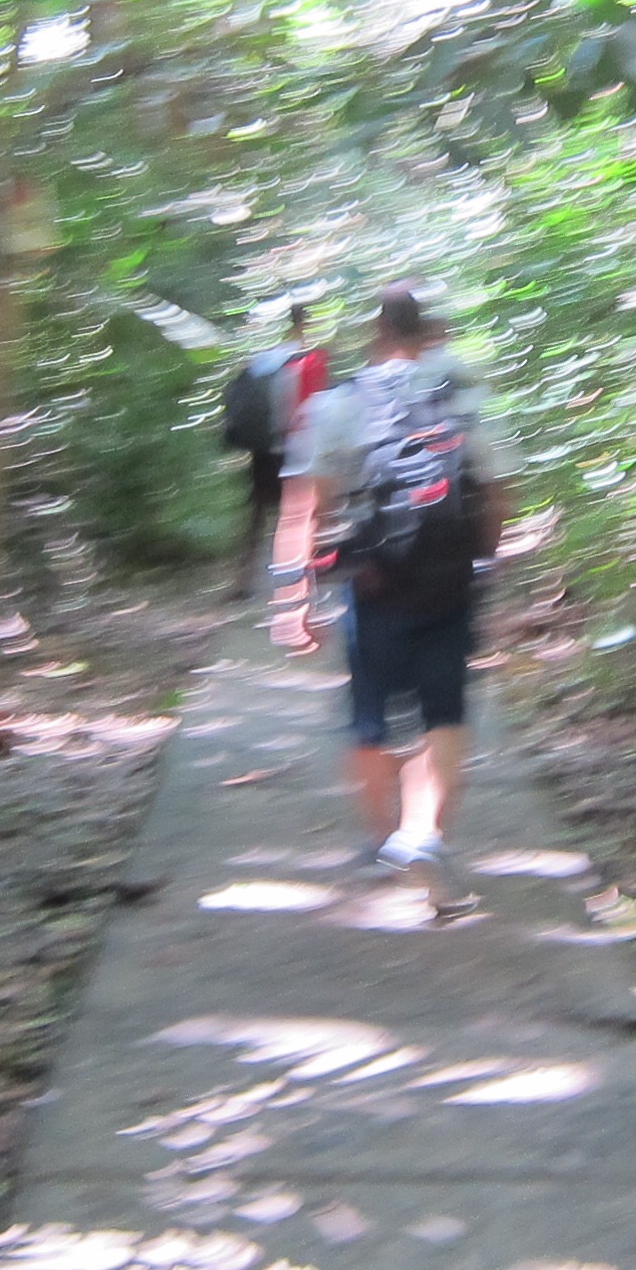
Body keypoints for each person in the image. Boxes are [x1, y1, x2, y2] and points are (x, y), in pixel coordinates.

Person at [292, 286, 514, 915]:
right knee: (444, 713)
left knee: (371, 719)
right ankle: (424, 835)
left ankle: (381, 842)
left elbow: (316, 505)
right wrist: (482, 562)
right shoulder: (466, 398)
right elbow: (500, 495)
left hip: (373, 583)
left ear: (376, 334)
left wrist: (302, 592)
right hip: (449, 581)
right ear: (428, 332)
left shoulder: (340, 403)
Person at [222, 305, 326, 605]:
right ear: (306, 323)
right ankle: (307, 581)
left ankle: (243, 581)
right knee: (304, 515)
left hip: (263, 449)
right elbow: (315, 408)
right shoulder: (310, 359)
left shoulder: (266, 359)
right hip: (295, 447)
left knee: (256, 514)